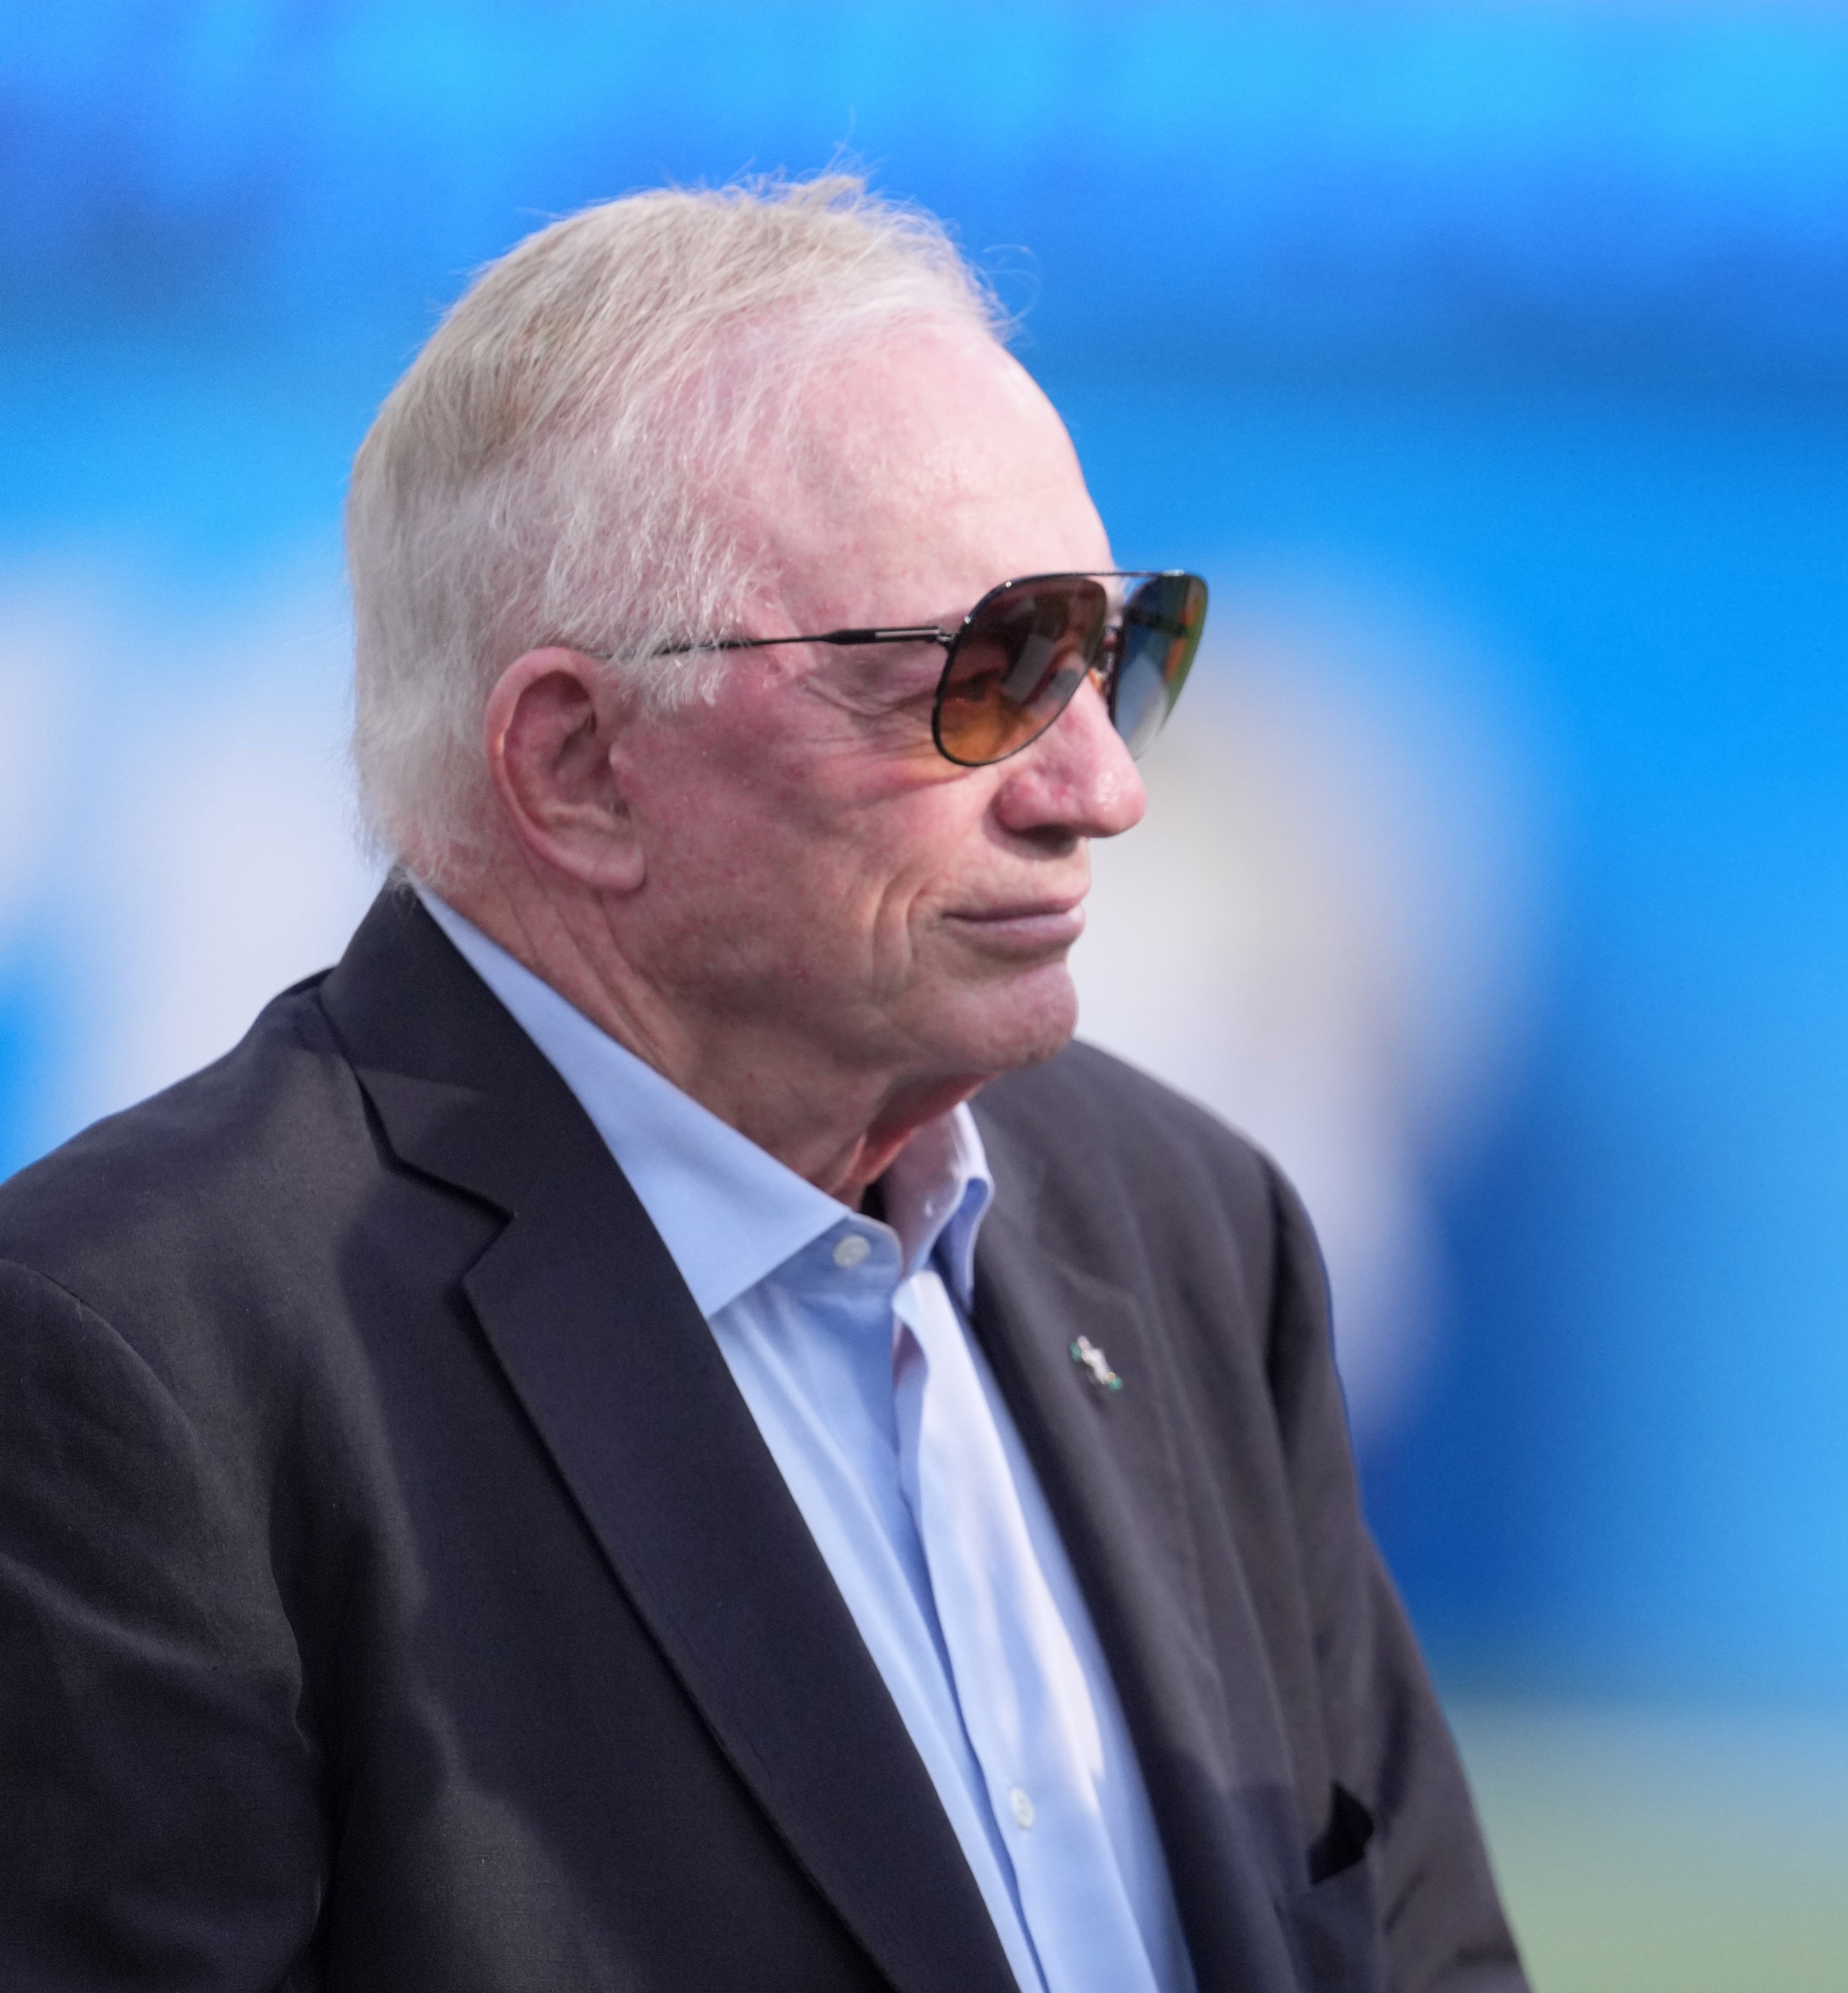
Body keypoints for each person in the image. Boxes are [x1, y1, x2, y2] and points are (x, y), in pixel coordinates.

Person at [0, 178, 1521, 1993]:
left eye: (1120, 651)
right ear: (578, 766)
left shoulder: (1186, 1224)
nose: (1100, 787)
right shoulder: (134, 1353)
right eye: (984, 676)